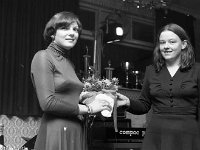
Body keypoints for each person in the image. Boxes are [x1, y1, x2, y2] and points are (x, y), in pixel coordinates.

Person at [31, 11, 111, 150]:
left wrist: (87, 97)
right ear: (52, 33)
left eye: (75, 30)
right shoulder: (43, 56)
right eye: (65, 28)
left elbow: (65, 95)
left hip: (76, 128)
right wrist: (89, 108)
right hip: (57, 130)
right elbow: (48, 103)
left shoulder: (69, 63)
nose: (72, 33)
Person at [117, 23, 200, 150]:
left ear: (183, 45)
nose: (166, 46)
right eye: (162, 42)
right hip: (156, 134)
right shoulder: (151, 71)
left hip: (189, 135)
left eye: (172, 42)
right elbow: (144, 104)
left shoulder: (197, 70)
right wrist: (128, 102)